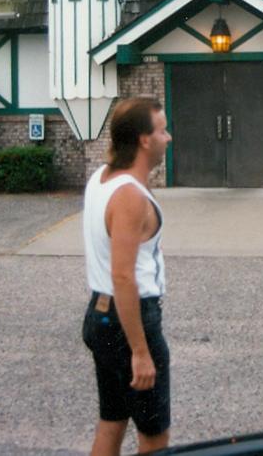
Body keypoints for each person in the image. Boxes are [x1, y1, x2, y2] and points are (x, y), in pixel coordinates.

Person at [82, 97, 172, 455]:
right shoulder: (129, 196)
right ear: (143, 140)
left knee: (113, 421)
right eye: (162, 130)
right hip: (128, 323)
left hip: (100, 316)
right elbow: (123, 276)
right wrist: (140, 350)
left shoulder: (101, 179)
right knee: (154, 436)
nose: (169, 137)